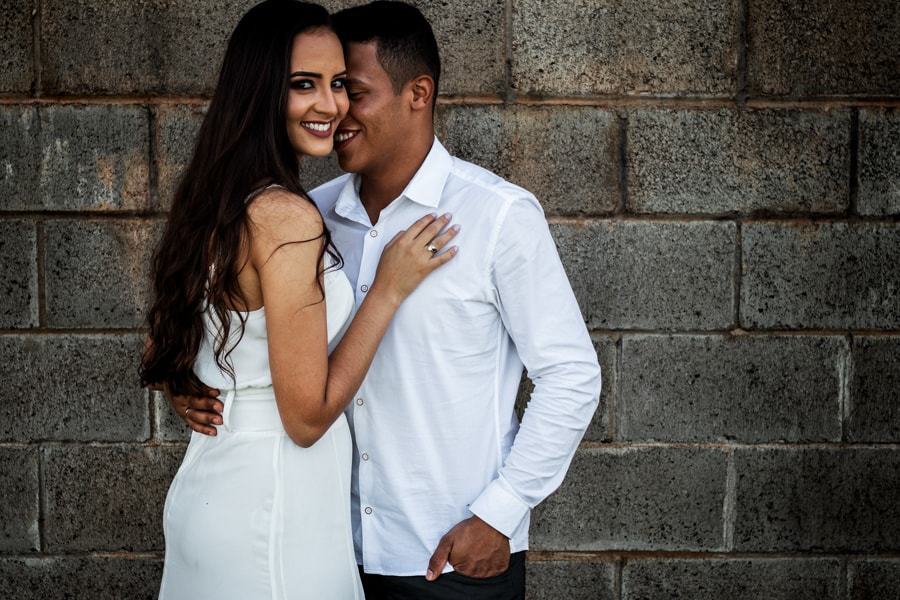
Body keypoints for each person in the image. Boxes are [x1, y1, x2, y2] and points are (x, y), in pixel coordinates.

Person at [171, 1, 602, 598]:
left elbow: (570, 375)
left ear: (417, 93)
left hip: (446, 552)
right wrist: (192, 385)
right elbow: (222, 325)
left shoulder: (496, 215)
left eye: (353, 89)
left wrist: (500, 513)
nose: (339, 108)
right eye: (325, 86)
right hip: (324, 546)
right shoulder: (310, 214)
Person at [141, 2, 458, 598]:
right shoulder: (287, 218)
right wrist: (386, 291)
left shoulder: (217, 199)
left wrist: (201, 383)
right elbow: (307, 418)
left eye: (339, 84)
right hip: (275, 495)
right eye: (302, 85)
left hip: (218, 481)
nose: (330, 106)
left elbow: (164, 343)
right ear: (261, 90)